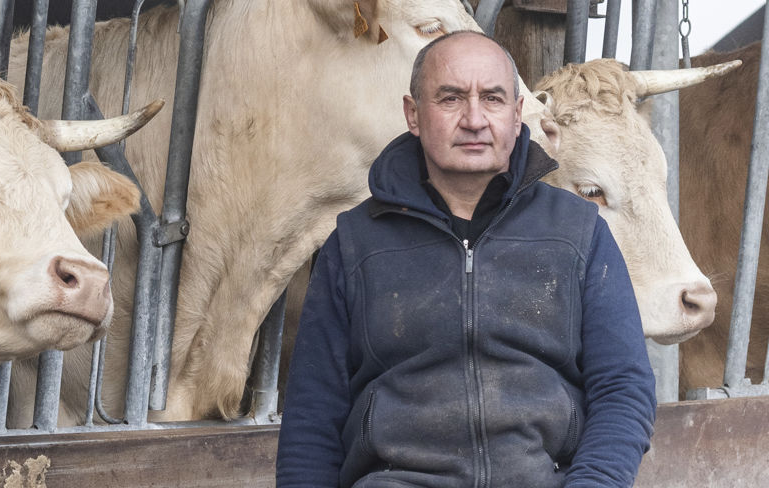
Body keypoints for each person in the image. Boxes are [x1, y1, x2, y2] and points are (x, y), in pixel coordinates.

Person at [275, 31, 656, 488]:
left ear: (518, 117)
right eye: (451, 98)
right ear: (413, 114)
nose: (474, 119)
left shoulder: (578, 232)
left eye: (493, 99)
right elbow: (311, 415)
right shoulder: (354, 243)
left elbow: (624, 390)